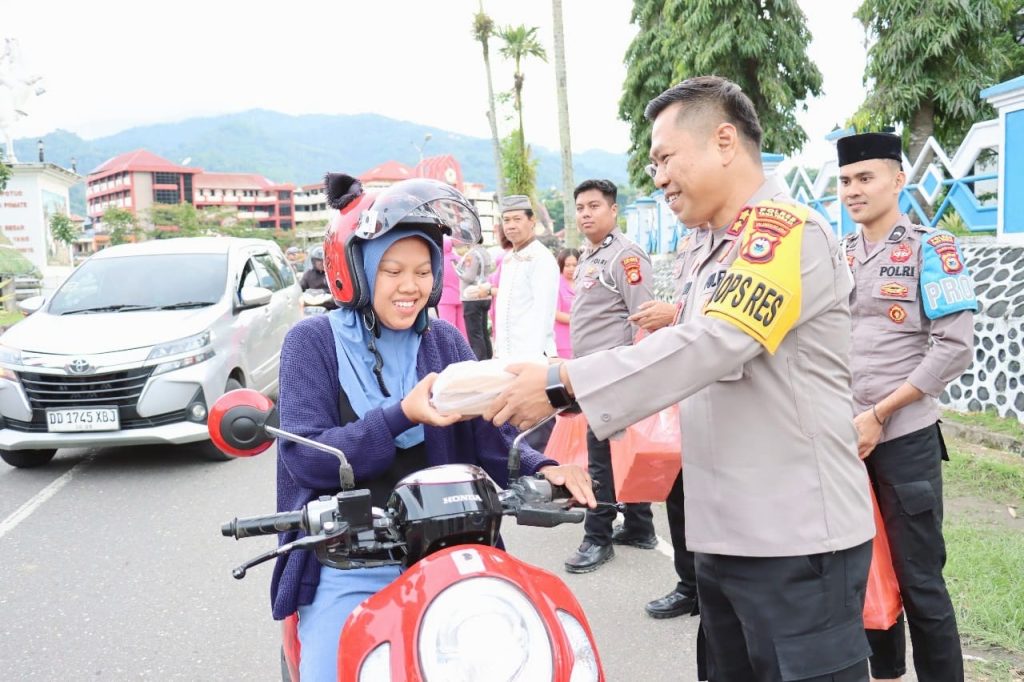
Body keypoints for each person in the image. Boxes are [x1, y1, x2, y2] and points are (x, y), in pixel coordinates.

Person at [485, 76, 876, 681]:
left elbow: (711, 345)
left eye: (666, 158)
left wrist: (565, 381)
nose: (659, 176)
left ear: (724, 141)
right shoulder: (706, 248)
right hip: (721, 535)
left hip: (795, 542)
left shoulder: (784, 234)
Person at [272, 175, 595, 681]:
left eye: (423, 271)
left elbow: (490, 437)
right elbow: (307, 457)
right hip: (350, 564)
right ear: (355, 271)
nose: (411, 286)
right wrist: (403, 413)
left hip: (452, 554)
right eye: (392, 270)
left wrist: (543, 468)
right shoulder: (310, 343)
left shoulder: (442, 340)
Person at [838, 132, 976, 682]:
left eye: (865, 178)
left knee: (920, 578)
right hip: (847, 438)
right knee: (864, 569)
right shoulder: (839, 254)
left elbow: (955, 346)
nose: (853, 190)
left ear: (898, 180)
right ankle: (887, 674)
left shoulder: (931, 248)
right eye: (845, 180)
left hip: (904, 439)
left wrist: (879, 414)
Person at [562, 179, 658, 574]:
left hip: (612, 375)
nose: (586, 214)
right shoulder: (590, 255)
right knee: (618, 453)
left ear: (613, 210)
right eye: (581, 207)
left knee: (599, 458)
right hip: (592, 372)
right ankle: (639, 525)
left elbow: (645, 317)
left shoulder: (626, 257)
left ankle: (597, 537)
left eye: (594, 206)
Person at [627, 236, 701, 619]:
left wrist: (673, 315)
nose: (667, 181)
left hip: (722, 395)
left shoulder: (748, 237)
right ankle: (690, 585)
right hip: (682, 388)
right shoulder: (692, 242)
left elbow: (725, 325)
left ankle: (713, 589)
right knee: (679, 494)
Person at [493, 195, 560, 359]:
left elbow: (542, 312)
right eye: (506, 220)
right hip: (506, 355)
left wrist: (532, 358)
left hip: (531, 356)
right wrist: (498, 350)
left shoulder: (541, 258)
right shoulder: (508, 259)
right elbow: (503, 310)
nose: (511, 225)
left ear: (532, 221)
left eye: (517, 219)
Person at [457, 238, 494, 360]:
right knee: (483, 333)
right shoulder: (485, 252)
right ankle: (487, 359)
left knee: (475, 335)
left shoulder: (472, 254)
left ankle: (479, 361)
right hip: (485, 293)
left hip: (472, 296)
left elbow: (469, 276)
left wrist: (456, 271)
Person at [437, 236, 468, 339]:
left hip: (445, 298)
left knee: (448, 329)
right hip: (460, 296)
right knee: (462, 328)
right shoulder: (459, 259)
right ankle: (464, 351)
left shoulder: (439, 261)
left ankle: (450, 352)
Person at [553, 248, 579, 359]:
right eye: (567, 265)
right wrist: (580, 320)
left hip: (583, 338)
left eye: (574, 265)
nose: (571, 269)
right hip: (563, 341)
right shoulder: (556, 284)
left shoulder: (584, 282)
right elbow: (555, 314)